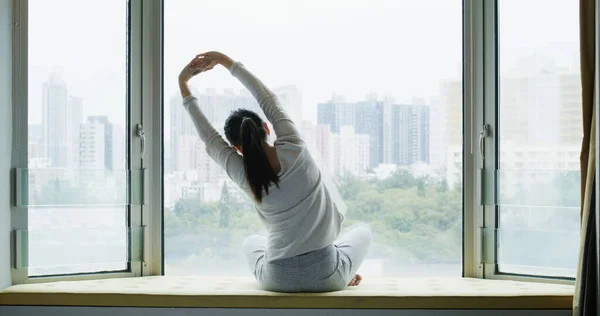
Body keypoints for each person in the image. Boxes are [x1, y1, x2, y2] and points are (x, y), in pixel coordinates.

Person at [178, 51, 373, 292]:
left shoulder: (243, 174)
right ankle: (344, 271)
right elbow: (267, 99)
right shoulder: (293, 148)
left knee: (253, 242)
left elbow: (209, 138)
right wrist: (223, 60)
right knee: (363, 232)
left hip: (277, 279)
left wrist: (183, 83)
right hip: (326, 276)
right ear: (267, 129)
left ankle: (340, 269)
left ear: (236, 148)